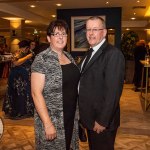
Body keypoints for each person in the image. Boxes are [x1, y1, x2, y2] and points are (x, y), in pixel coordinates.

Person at [31, 20, 79, 150]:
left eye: (63, 34)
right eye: (56, 34)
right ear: (48, 38)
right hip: (52, 119)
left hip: (70, 116)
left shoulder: (69, 56)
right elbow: (36, 93)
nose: (61, 37)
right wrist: (47, 123)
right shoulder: (42, 59)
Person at [78, 16, 125, 150]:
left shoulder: (113, 54)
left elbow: (113, 92)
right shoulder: (90, 52)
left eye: (95, 29)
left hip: (101, 122)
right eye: (88, 30)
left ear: (104, 32)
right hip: (90, 118)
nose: (91, 33)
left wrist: (102, 120)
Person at [2, 40, 34, 119]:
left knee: (24, 93)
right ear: (26, 47)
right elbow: (15, 62)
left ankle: (24, 111)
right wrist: (27, 57)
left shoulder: (28, 53)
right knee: (18, 93)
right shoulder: (18, 52)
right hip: (17, 78)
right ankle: (18, 112)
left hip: (24, 77)